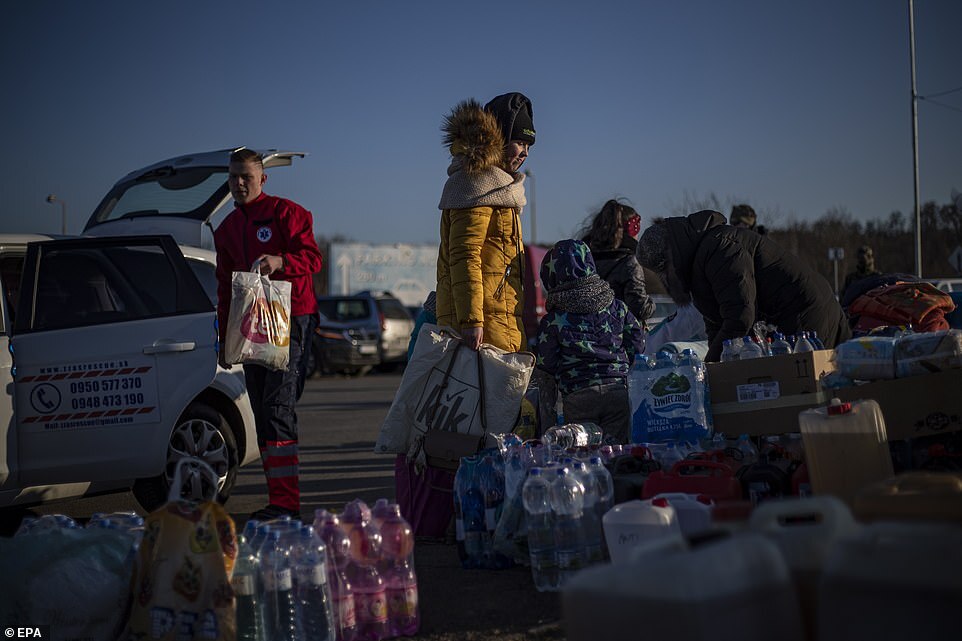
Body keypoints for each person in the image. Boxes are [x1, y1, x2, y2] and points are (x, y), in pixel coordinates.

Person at [214, 147, 323, 521]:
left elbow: (314, 258)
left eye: (246, 176)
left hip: (292, 320)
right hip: (251, 328)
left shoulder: (287, 213)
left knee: (278, 409)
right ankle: (279, 501)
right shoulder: (227, 229)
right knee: (263, 413)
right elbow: (224, 288)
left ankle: (286, 506)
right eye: (233, 177)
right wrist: (224, 340)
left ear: (263, 178)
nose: (239, 183)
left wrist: (281, 261)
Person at [637, 210, 851, 362]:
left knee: (807, 391)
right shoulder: (696, 264)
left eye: (662, 271)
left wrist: (712, 364)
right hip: (791, 317)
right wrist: (714, 359)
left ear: (670, 259)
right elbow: (715, 323)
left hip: (806, 314)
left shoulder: (721, 248)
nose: (664, 278)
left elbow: (740, 316)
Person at [436, 91, 535, 352]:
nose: (525, 153)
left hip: (500, 316)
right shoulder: (476, 183)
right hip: (483, 325)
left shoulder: (500, 188)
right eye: (519, 143)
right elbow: (464, 254)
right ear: (500, 138)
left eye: (529, 147)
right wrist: (471, 321)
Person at [535, 239, 644, 444]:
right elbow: (637, 344)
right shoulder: (618, 308)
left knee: (582, 452)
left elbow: (546, 365)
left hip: (578, 396)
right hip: (617, 391)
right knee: (616, 450)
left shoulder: (553, 320)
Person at [581, 199, 655, 326]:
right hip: (620, 333)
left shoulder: (585, 258)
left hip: (589, 330)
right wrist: (651, 304)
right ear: (632, 230)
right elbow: (640, 309)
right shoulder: (629, 262)